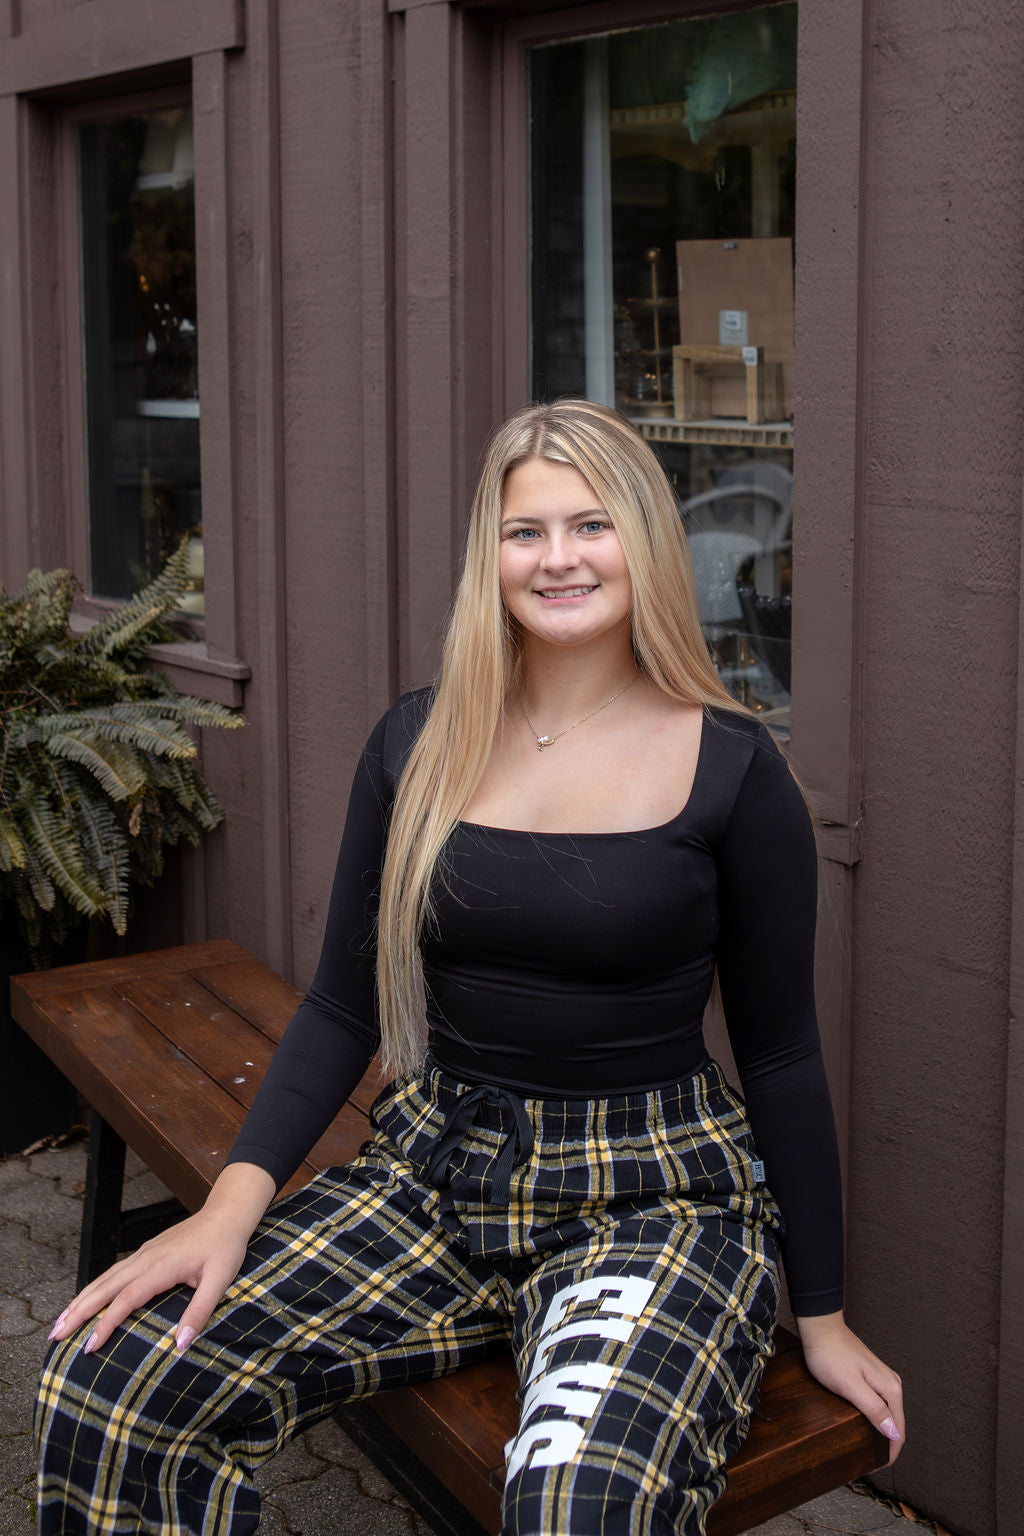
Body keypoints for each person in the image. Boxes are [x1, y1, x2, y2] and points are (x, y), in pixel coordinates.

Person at [36, 400, 903, 1536]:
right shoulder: (419, 741)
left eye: (590, 525)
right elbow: (343, 1004)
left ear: (645, 540)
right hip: (434, 1174)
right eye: (524, 531)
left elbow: (781, 1055)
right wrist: (228, 1210)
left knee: (579, 1505)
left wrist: (821, 1316)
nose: (557, 559)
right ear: (489, 557)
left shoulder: (733, 767)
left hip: (650, 1204)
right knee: (112, 1381)